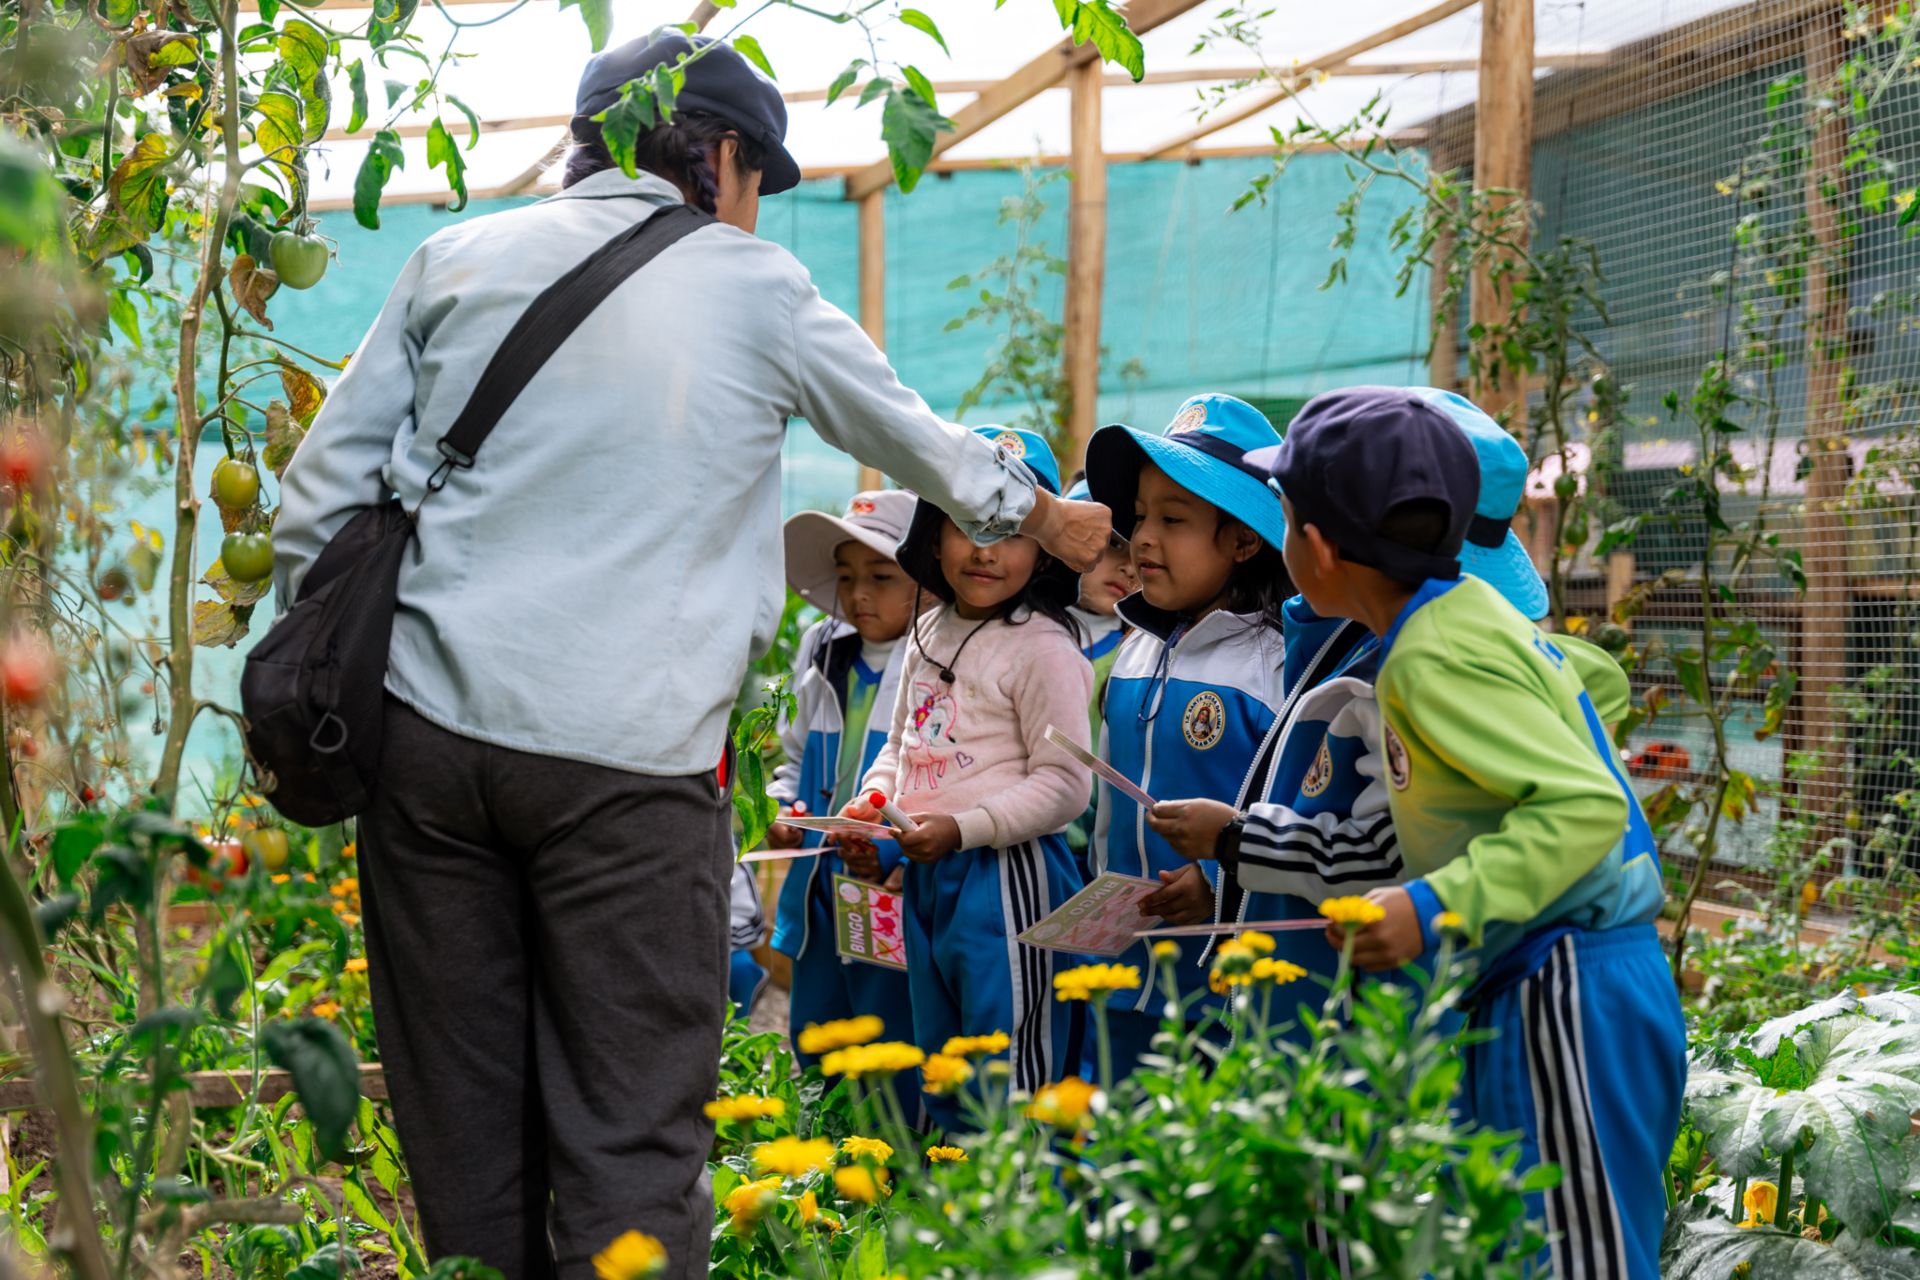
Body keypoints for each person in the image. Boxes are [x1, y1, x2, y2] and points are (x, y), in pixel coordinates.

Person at [270, 29, 1112, 1280]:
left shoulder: (454, 257)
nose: (754, 203)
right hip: (627, 770)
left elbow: (318, 501)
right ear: (720, 157)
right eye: (756, 176)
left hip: (429, 758)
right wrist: (1047, 518)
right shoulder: (752, 283)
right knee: (632, 1128)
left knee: (462, 1117)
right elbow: (917, 439)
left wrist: (359, 705)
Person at [1245, 386, 1683, 1280]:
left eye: (1282, 518)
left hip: (1571, 980)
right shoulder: (1453, 623)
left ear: (1319, 547)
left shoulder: (1432, 654)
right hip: (1542, 976)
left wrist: (1435, 904)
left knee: (1575, 1261)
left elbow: (1585, 808)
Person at [838, 426, 1094, 1130]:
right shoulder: (929, 632)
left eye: (1011, 528)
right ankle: (960, 1221)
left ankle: (1024, 1225)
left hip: (1005, 879)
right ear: (933, 529)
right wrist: (874, 803)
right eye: (968, 522)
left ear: (1045, 544)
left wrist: (963, 829)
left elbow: (1068, 785)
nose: (986, 549)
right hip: (928, 874)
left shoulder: (1043, 648)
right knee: (944, 1065)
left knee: (1009, 1068)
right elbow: (901, 744)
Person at [1080, 394, 1297, 1077]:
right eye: (1141, 516)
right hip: (1121, 976)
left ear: (1243, 539)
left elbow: (1295, 819)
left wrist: (1219, 888)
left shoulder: (1278, 664)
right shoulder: (1134, 652)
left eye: (1173, 520)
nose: (1142, 538)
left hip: (1224, 987)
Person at [763, 490, 920, 1111]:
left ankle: (895, 1176)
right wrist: (781, 808)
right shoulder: (822, 650)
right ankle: (829, 1175)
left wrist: (891, 856)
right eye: (848, 577)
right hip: (815, 884)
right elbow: (793, 756)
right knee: (816, 1028)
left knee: (889, 1034)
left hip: (884, 887)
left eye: (882, 577)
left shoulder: (930, 660)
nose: (859, 594)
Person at [1063, 475, 1136, 877]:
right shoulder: (1025, 632)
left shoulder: (1138, 653)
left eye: (1135, 546)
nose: (1127, 565)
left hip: (1098, 858)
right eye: (1111, 543)